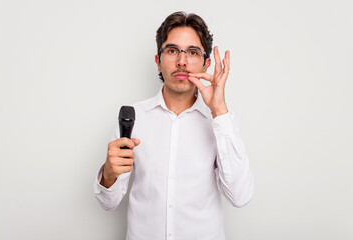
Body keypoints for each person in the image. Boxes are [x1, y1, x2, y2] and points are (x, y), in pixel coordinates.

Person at [94, 11, 254, 240]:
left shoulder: (221, 121)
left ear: (206, 63)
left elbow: (240, 196)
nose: (182, 61)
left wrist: (218, 111)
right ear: (158, 61)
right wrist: (108, 174)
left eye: (192, 52)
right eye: (172, 50)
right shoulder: (133, 117)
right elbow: (108, 203)